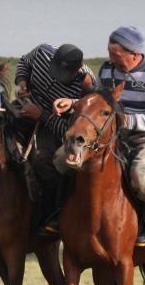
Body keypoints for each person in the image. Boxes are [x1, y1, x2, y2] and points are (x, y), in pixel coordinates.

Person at [92, 26, 145, 247]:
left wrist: (126, 121)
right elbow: (101, 101)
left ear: (134, 54)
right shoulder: (107, 70)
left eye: (116, 55)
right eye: (109, 53)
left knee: (142, 175)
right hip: (112, 136)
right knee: (68, 160)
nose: (111, 59)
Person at [14, 42, 95, 234]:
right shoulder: (42, 52)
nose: (57, 78)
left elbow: (71, 129)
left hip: (52, 125)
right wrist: (22, 81)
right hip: (24, 108)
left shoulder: (87, 83)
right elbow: (23, 63)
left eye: (64, 77)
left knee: (43, 160)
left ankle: (52, 210)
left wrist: (42, 116)